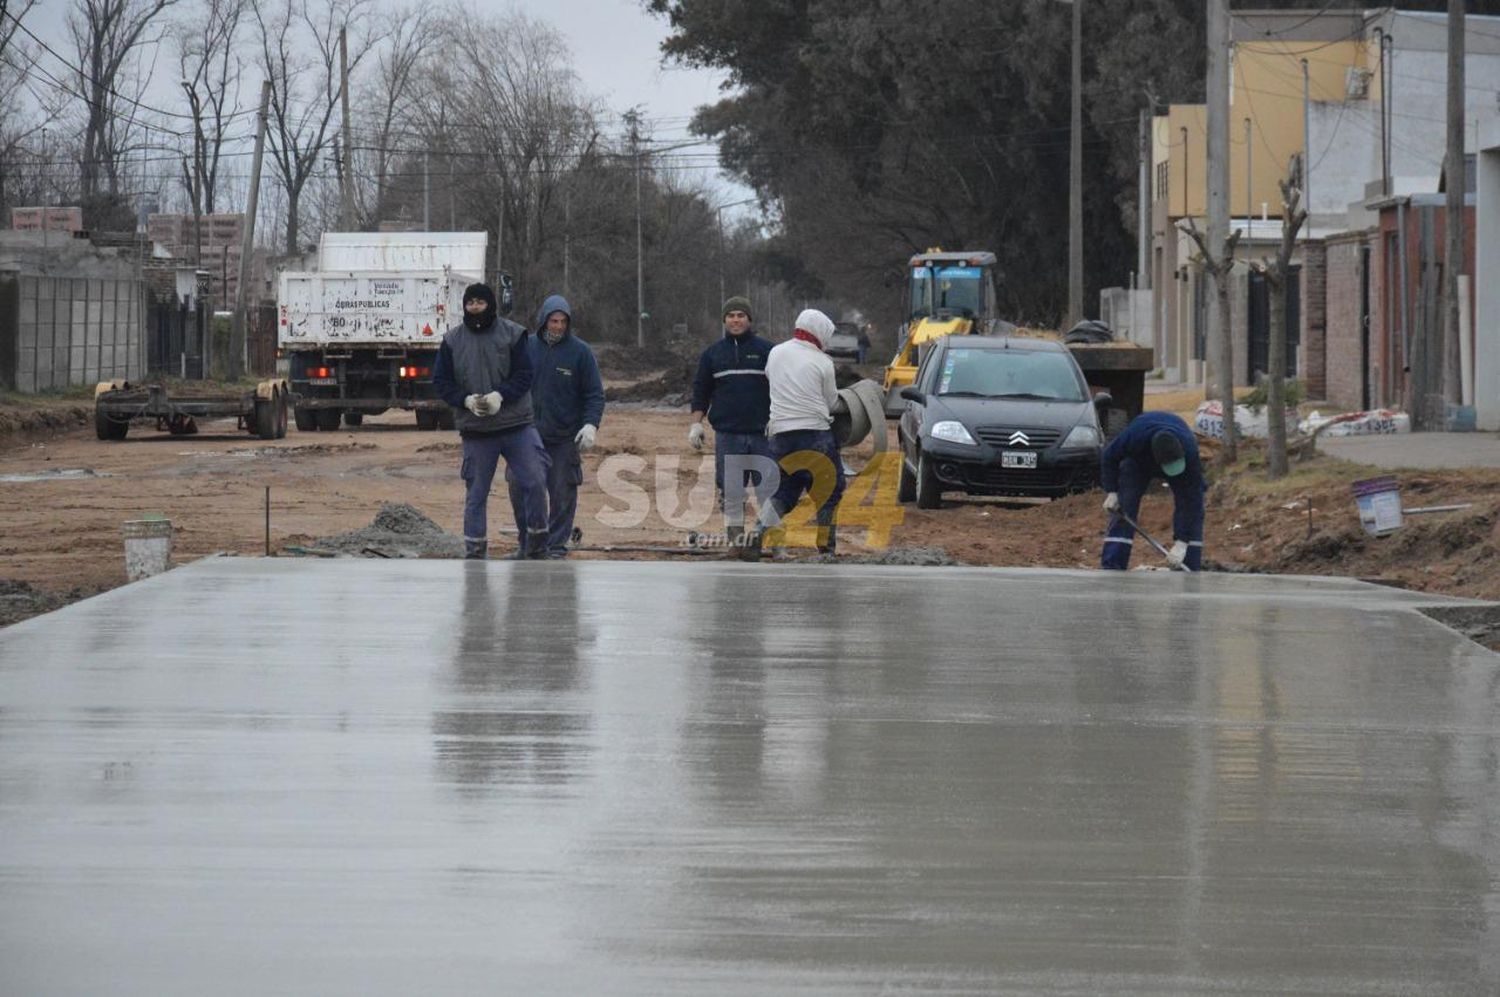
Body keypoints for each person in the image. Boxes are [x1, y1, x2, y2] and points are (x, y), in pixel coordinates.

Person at [433, 282, 550, 561]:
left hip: (516, 425)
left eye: (480, 303)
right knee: (476, 493)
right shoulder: (451, 341)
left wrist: (501, 395)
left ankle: (535, 546)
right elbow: (441, 381)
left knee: (534, 481)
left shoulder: (513, 334)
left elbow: (524, 374)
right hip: (477, 431)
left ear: (490, 305)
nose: (475, 308)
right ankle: (475, 551)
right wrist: (465, 400)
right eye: (470, 303)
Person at [508, 294, 604, 559]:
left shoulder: (580, 352)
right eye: (553, 321)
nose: (558, 326)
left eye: (563, 321)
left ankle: (556, 546)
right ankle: (528, 544)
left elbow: (595, 394)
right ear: (543, 320)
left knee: (563, 492)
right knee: (519, 487)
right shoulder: (525, 348)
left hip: (564, 437)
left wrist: (590, 424)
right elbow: (510, 386)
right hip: (526, 435)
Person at [745, 308, 845, 559]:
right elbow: (831, 402)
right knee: (829, 489)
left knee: (783, 490)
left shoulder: (776, 353)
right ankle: (826, 549)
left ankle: (758, 532)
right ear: (819, 332)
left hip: (781, 435)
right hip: (815, 435)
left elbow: (771, 380)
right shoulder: (823, 361)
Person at [688, 296, 775, 542]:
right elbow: (701, 391)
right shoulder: (712, 355)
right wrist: (696, 423)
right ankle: (736, 541)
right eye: (731, 316)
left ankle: (770, 542)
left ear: (749, 319)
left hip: (763, 436)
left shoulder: (768, 351)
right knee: (732, 492)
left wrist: (779, 418)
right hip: (728, 436)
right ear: (724, 320)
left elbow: (781, 387)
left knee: (768, 491)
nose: (735, 320)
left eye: (741, 315)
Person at [1099, 410, 1206, 571]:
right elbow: (1109, 457)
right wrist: (1112, 491)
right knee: (1124, 503)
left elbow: (1191, 500)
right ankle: (1113, 565)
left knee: (1194, 504)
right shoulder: (1134, 437)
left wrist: (1181, 542)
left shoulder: (1189, 452)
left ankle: (1188, 564)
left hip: (1180, 458)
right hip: (1138, 461)